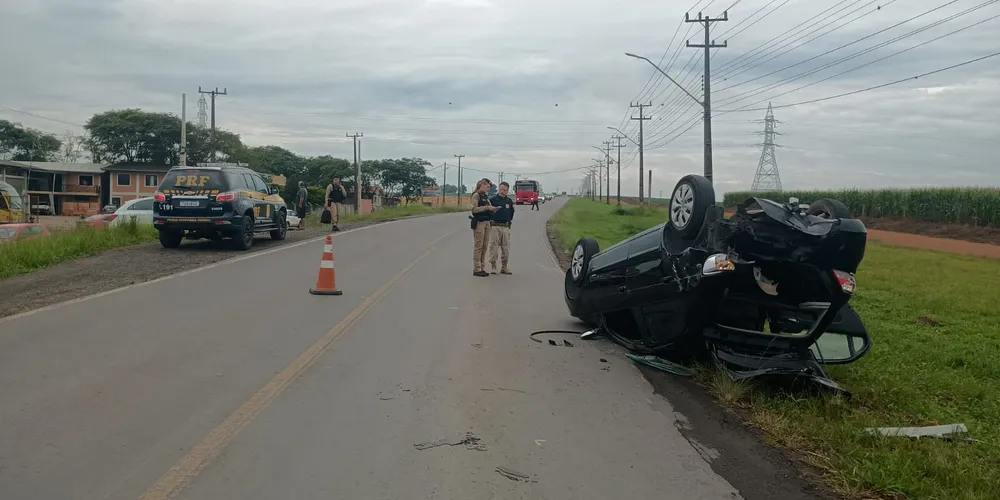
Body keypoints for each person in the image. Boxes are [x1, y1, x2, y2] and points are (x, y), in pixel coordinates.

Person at [470, 179, 498, 277]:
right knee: (479, 245)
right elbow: (474, 209)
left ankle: (482, 267)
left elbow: (488, 207)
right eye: (487, 186)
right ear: (482, 184)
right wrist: (487, 208)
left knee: (485, 246)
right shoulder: (476, 195)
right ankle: (476, 268)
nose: (488, 189)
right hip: (479, 222)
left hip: (487, 222)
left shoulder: (485, 197)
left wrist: (492, 209)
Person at [488, 181, 514, 275]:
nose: (502, 191)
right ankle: (493, 266)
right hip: (495, 226)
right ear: (499, 189)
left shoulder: (509, 201)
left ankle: (504, 266)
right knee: (493, 246)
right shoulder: (492, 200)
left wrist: (508, 221)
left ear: (507, 191)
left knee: (505, 247)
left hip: (505, 227)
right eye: (501, 189)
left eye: (505, 190)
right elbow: (488, 212)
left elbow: (511, 213)